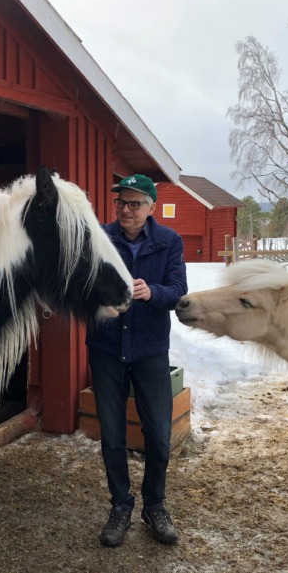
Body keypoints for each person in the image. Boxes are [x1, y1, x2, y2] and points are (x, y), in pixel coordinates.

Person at [86, 173, 188, 548]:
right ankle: (120, 506)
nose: (125, 210)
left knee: (159, 436)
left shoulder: (169, 242)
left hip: (149, 351)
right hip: (107, 349)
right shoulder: (100, 238)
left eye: (134, 204)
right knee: (112, 435)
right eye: (120, 203)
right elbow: (81, 284)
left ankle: (154, 505)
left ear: (151, 208)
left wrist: (152, 291)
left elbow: (179, 290)